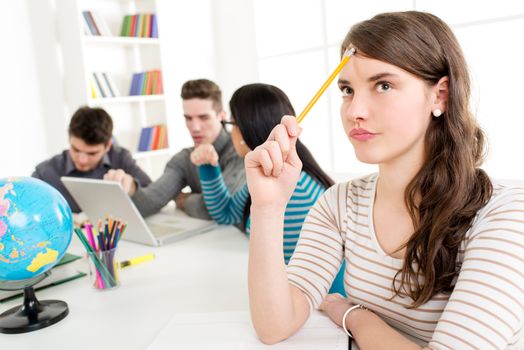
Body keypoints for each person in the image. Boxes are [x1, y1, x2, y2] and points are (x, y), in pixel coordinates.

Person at [245, 11, 524, 349]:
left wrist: (356, 316)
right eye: (347, 89)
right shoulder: (339, 203)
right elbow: (274, 325)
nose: (354, 110)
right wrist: (268, 206)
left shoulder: (505, 215)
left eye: (383, 85)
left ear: (440, 96)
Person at [192, 83, 345, 295]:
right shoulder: (269, 172)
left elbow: (293, 275)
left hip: (313, 304)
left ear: (246, 129)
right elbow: (226, 214)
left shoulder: (291, 186)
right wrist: (209, 168)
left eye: (232, 124)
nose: (231, 132)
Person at [105, 79, 245, 219]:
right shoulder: (184, 159)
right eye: (188, 118)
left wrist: (184, 200)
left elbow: (216, 210)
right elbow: (149, 202)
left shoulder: (240, 151)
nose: (195, 127)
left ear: (222, 115)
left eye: (203, 118)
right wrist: (131, 188)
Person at [32, 106, 151, 213]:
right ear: (69, 139)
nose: (82, 160)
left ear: (108, 145)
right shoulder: (45, 172)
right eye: (76, 149)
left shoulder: (121, 158)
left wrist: (132, 187)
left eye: (92, 153)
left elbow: (154, 197)